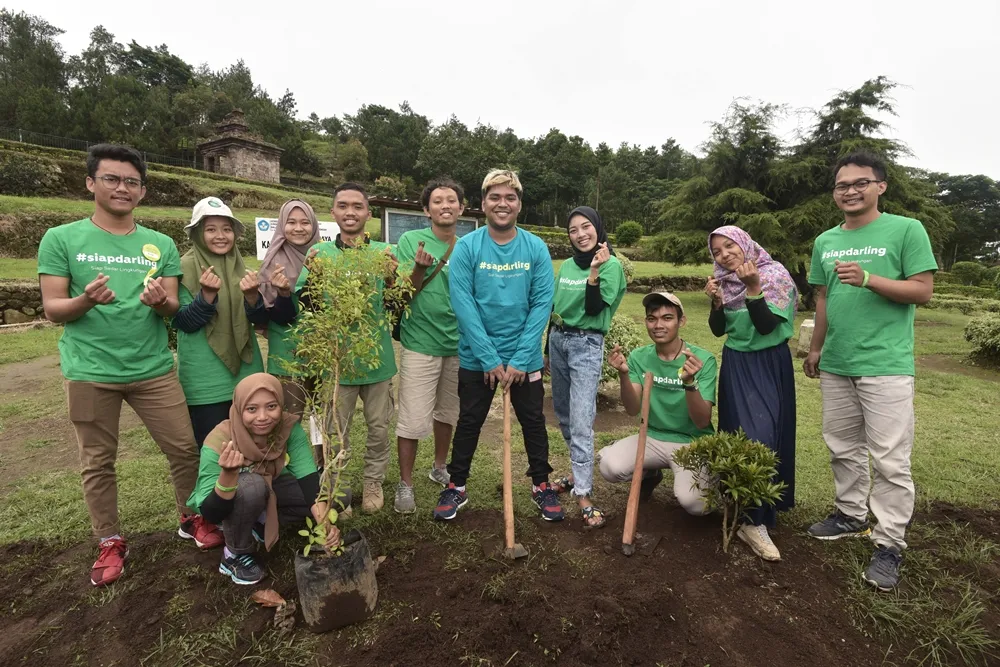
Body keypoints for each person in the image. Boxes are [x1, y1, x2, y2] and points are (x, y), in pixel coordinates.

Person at [37, 144, 222, 587]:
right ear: (90, 183)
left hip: (153, 369)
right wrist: (85, 300)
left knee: (183, 448)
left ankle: (192, 516)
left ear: (142, 191)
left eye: (131, 182)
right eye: (112, 179)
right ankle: (109, 540)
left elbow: (173, 306)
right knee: (98, 461)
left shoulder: (158, 244)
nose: (122, 188)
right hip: (90, 371)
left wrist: (162, 302)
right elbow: (51, 307)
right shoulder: (62, 238)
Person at [804, 151, 937, 591]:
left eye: (861, 183)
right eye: (842, 185)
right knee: (842, 445)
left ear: (881, 186)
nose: (850, 191)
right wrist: (817, 347)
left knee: (890, 459)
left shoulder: (905, 229)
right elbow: (823, 299)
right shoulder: (825, 240)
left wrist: (870, 278)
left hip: (886, 363)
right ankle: (849, 514)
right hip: (838, 361)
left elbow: (922, 291)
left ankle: (889, 543)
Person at [434, 169, 563, 522]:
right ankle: (456, 486)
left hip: (525, 360)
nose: (502, 204)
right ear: (483, 203)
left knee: (533, 422)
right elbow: (464, 305)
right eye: (495, 197)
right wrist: (489, 358)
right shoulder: (467, 247)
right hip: (478, 359)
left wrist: (521, 358)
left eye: (510, 197)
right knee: (470, 421)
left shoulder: (535, 247)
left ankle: (541, 485)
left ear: (519, 204)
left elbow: (541, 305)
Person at [295, 183, 398, 514]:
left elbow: (396, 304)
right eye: (343, 206)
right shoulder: (320, 255)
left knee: (379, 429)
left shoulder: (383, 252)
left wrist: (394, 279)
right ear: (333, 212)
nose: (350, 212)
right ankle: (336, 488)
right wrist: (312, 278)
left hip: (377, 361)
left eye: (357, 206)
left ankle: (372, 482)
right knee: (334, 432)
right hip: (335, 363)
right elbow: (308, 307)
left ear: (369, 213)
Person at [187, 373, 340, 585]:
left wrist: (325, 526)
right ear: (240, 408)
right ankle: (234, 554)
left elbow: (309, 481)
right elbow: (210, 513)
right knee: (252, 485)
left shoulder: (287, 428)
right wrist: (228, 475)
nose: (262, 417)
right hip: (228, 501)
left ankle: (257, 525)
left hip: (270, 488)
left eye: (271, 406)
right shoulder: (220, 439)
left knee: (336, 495)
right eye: (252, 409)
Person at [706, 226, 797, 561]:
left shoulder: (775, 275)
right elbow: (719, 331)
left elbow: (766, 326)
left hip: (769, 364)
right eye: (717, 251)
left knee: (766, 435)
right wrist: (716, 304)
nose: (724, 254)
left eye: (729, 246)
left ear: (744, 244)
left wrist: (754, 287)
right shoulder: (726, 282)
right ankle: (742, 512)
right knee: (739, 435)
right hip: (736, 365)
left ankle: (757, 519)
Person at [545, 206, 626, 528]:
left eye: (586, 227)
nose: (580, 234)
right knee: (564, 414)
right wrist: (547, 352)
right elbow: (554, 310)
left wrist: (593, 271)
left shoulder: (612, 266)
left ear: (598, 228)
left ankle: (583, 493)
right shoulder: (565, 265)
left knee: (581, 420)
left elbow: (594, 310)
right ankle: (575, 473)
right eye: (573, 230)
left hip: (586, 345)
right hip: (558, 341)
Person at [599, 292, 715, 515]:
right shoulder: (639, 357)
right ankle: (649, 473)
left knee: (697, 505)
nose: (658, 325)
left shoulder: (701, 360)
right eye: (652, 319)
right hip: (650, 436)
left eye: (667, 318)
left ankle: (709, 476)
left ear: (681, 321)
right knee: (609, 467)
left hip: (691, 442)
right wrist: (624, 375)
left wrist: (690, 383)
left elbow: (702, 421)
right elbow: (633, 409)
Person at [393, 179, 464, 513]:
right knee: (412, 417)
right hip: (420, 341)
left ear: (461, 208)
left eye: (451, 200)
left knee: (447, 411)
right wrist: (420, 268)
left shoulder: (466, 247)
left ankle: (438, 467)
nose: (445, 205)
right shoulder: (410, 241)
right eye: (438, 201)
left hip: (458, 344)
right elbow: (404, 293)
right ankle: (405, 485)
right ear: (426, 210)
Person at [173, 197, 266, 447]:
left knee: (253, 444)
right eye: (211, 229)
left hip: (247, 370)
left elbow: (257, 323)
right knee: (214, 449)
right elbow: (183, 322)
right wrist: (206, 296)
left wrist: (253, 297)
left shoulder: (240, 267)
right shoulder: (184, 267)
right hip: (205, 379)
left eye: (227, 229)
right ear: (197, 233)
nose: (221, 236)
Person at [256, 199, 321, 417]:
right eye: (291, 222)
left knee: (323, 418)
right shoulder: (274, 259)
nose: (299, 228)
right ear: (282, 224)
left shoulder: (324, 256)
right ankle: (289, 453)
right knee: (289, 419)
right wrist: (283, 293)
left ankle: (320, 453)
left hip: (324, 351)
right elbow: (275, 315)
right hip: (287, 354)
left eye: (305, 222)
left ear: (314, 225)